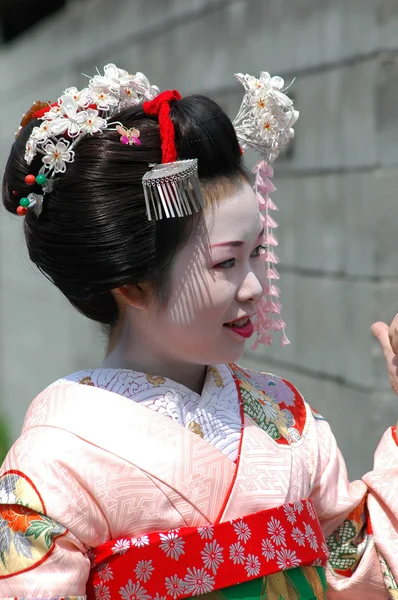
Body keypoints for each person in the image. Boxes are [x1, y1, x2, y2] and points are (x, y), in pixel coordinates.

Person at [0, 63, 397, 600]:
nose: (255, 286)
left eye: (258, 253)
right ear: (134, 283)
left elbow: (360, 572)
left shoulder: (286, 415)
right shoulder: (53, 462)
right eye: (225, 263)